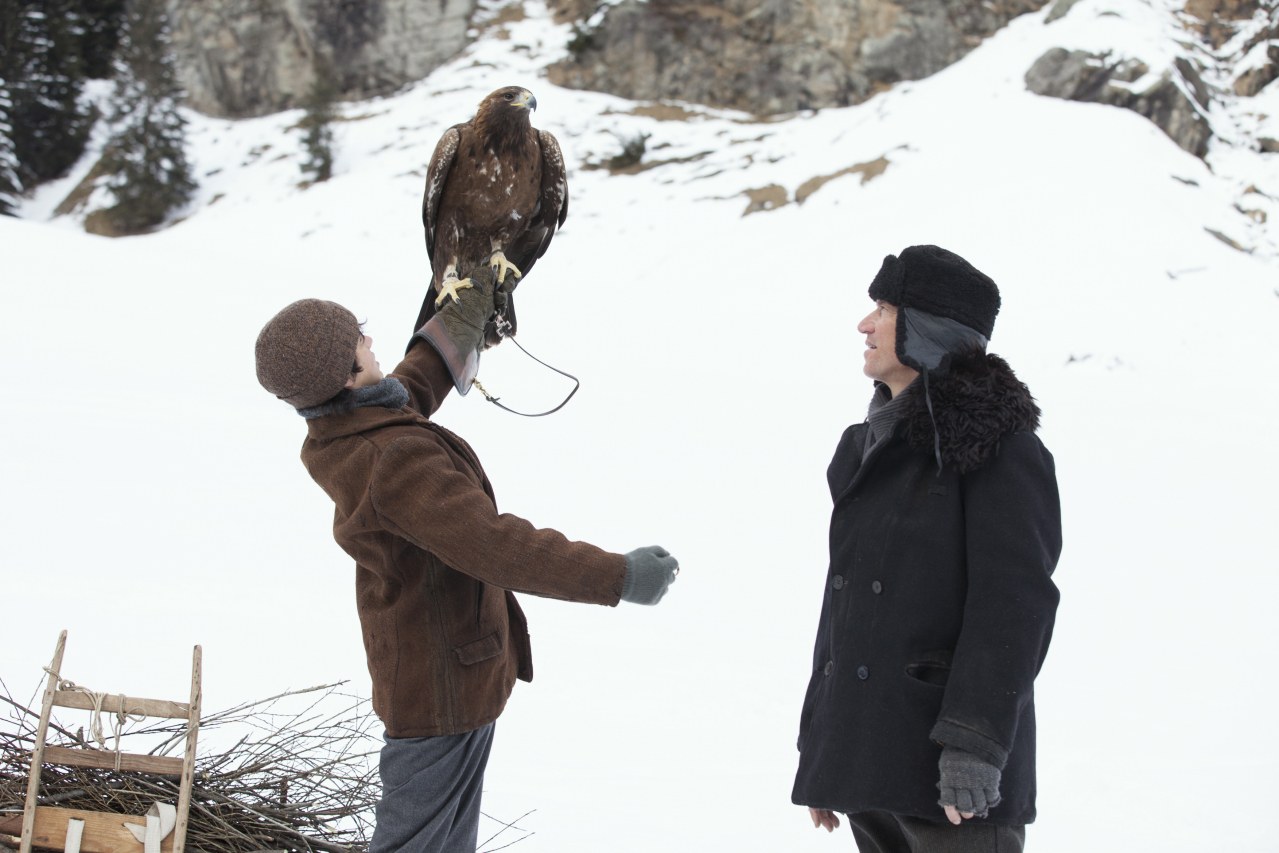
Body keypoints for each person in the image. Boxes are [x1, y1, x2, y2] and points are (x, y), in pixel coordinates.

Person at [254, 267, 680, 853]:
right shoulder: (393, 461)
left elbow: (409, 388)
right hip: (437, 688)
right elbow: (496, 546)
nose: (372, 341)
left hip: (445, 674)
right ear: (349, 375)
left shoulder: (344, 429)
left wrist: (459, 320)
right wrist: (619, 575)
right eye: (359, 337)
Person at [792, 245, 1062, 853]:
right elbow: (844, 611)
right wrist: (822, 746)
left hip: (957, 786)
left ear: (926, 331)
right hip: (871, 764)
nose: (864, 325)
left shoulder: (1001, 449)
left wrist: (975, 743)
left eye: (883, 309)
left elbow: (1014, 606)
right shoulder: (865, 449)